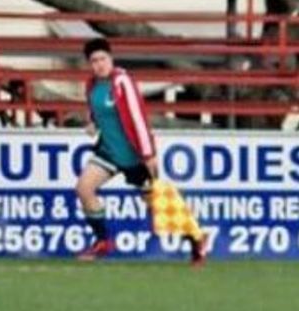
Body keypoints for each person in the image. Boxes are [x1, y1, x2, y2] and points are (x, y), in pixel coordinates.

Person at [73, 39, 206, 265]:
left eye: (103, 59)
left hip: (133, 155)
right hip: (108, 152)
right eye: (94, 61)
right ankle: (103, 242)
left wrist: (148, 154)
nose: (99, 64)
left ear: (111, 59)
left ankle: (195, 238)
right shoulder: (92, 85)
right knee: (84, 189)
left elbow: (137, 117)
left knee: (157, 204)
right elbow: (98, 111)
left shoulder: (122, 81)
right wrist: (94, 123)